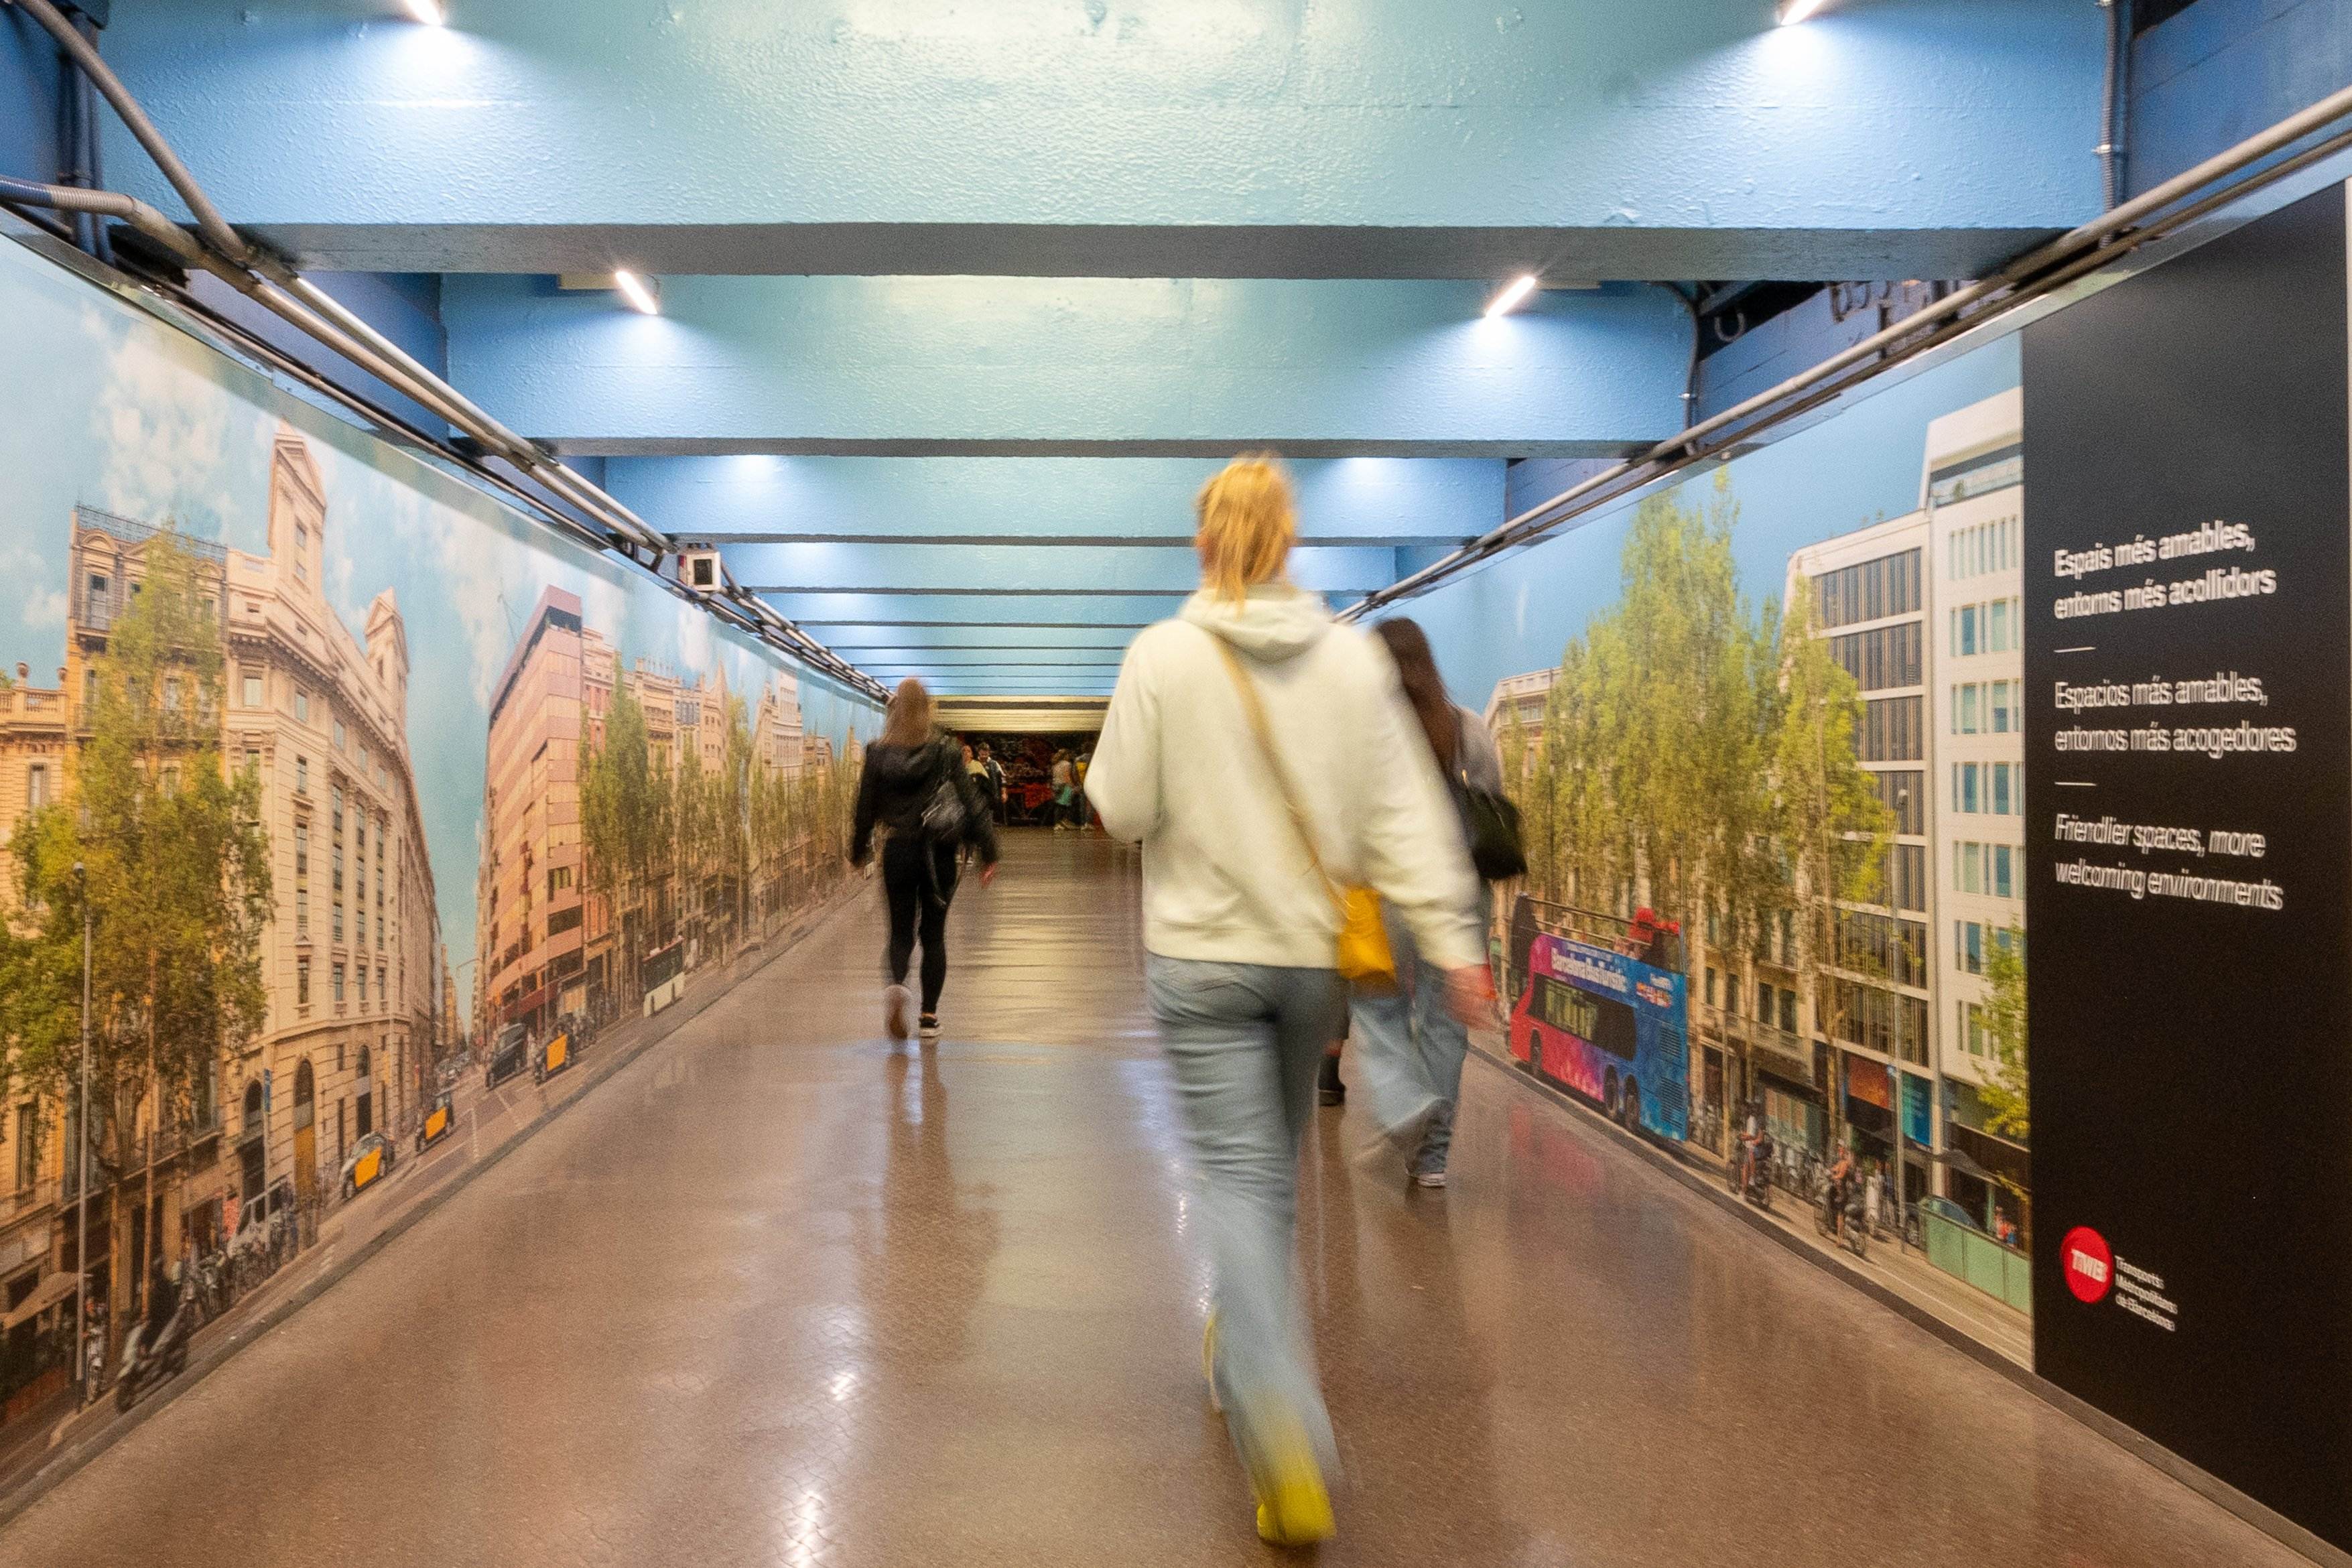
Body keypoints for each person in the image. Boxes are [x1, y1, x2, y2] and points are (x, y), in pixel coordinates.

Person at [1086, 452, 1486, 1547]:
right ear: (1291, 542)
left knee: (1232, 1172)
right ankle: (1243, 1340)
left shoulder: (1164, 654)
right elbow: (1406, 816)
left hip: (1201, 962)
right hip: (1309, 965)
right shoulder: (1354, 665)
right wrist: (1455, 943)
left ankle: (1285, 1424)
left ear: (1207, 544)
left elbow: (1116, 807)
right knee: (1271, 1168)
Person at [1347, 616, 1504, 1189]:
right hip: (1461, 897)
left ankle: (1403, 1102)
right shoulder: (1465, 728)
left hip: (1387, 894)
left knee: (1378, 1009)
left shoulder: (1366, 736)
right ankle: (1433, 1157)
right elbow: (1493, 800)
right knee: (1445, 1028)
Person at [850, 679, 1000, 1042]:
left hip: (898, 851)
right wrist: (988, 852)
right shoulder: (946, 751)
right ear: (928, 709)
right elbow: (970, 802)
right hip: (939, 855)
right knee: (933, 936)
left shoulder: (877, 753)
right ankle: (929, 1018)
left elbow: (864, 808)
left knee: (900, 933)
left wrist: (859, 850)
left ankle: (897, 987)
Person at [976, 742, 1007, 824]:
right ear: (978, 752)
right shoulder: (974, 763)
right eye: (982, 750)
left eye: (986, 751)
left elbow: (1003, 779)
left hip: (992, 793)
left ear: (989, 752)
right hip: (977, 793)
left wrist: (1004, 793)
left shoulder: (995, 764)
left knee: (991, 814)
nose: (984, 753)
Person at [1049, 749, 1077, 830]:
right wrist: (1072, 786)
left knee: (1058, 805)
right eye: (1068, 755)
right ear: (1066, 756)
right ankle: (1065, 821)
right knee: (1068, 805)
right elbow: (1067, 776)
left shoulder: (1055, 764)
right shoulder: (1067, 764)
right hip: (1065, 786)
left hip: (1056, 785)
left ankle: (1057, 824)